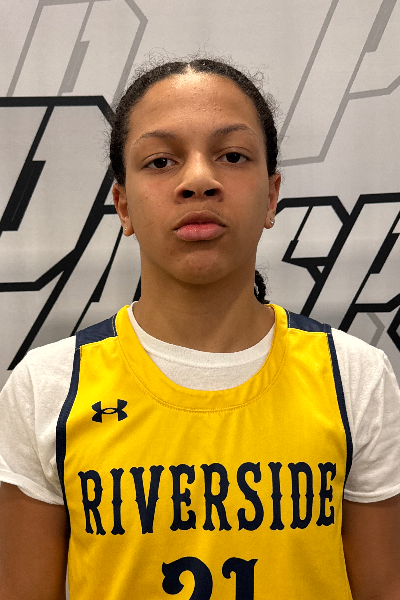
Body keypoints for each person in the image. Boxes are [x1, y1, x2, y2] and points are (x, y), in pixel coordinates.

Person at [0, 57, 400, 600]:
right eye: (161, 161)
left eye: (232, 156)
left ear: (272, 196)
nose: (198, 180)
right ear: (123, 204)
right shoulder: (46, 387)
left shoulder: (355, 377)